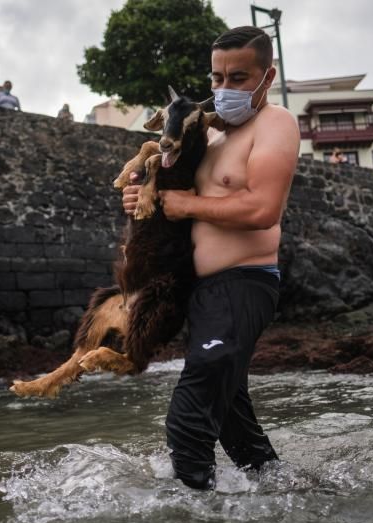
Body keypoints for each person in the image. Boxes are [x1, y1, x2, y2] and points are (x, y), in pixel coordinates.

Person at [122, 26, 300, 490]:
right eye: (216, 78)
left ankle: (196, 517)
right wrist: (144, 199)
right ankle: (295, 496)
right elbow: (171, 201)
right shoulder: (211, 138)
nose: (223, 90)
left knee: (189, 418)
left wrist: (184, 205)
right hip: (201, 294)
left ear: (267, 77)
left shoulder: (275, 122)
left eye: (238, 78)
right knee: (232, 423)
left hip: (243, 284)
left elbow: (263, 210)